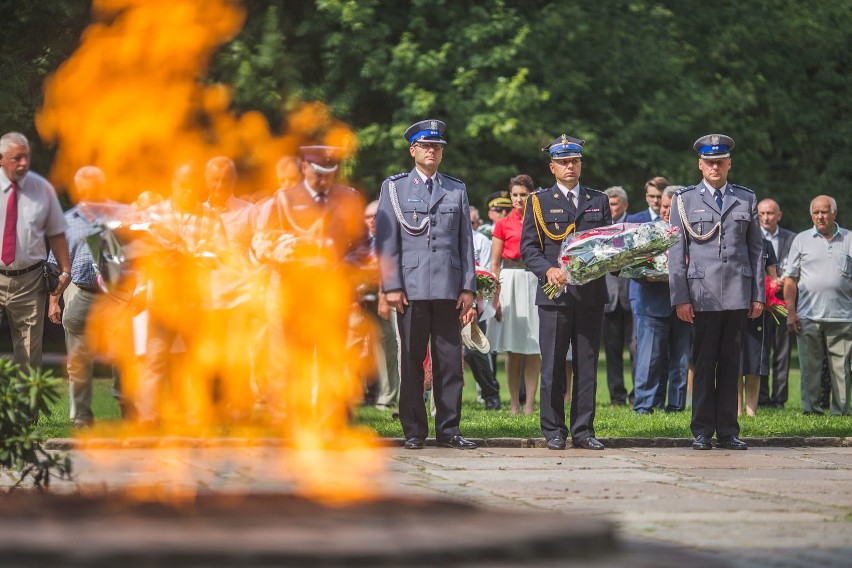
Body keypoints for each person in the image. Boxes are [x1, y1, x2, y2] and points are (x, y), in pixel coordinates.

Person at [375, 119, 477, 450]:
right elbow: (387, 242)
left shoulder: (456, 188)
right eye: (426, 146)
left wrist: (468, 287)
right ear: (413, 150)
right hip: (411, 289)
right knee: (412, 362)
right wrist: (391, 286)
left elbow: (466, 242)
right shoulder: (395, 188)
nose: (432, 150)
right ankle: (415, 431)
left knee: (450, 365)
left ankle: (449, 430)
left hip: (448, 289)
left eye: (438, 146)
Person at [668, 134, 764, 450]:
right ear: (700, 164)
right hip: (702, 294)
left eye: (720, 161)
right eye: (709, 161)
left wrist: (758, 294)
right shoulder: (684, 200)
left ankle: (728, 430)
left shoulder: (746, 199)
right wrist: (680, 296)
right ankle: (702, 430)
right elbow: (675, 253)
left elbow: (756, 250)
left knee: (731, 363)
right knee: (704, 362)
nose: (715, 166)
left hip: (738, 292)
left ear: (729, 164)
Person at [521, 134, 611, 451]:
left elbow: (608, 246)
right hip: (554, 294)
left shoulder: (598, 201)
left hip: (590, 294)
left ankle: (584, 430)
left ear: (580, 164)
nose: (569, 166)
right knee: (553, 366)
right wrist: (548, 269)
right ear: (552, 167)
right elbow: (529, 248)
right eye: (563, 162)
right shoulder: (539, 202)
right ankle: (554, 430)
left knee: (587, 366)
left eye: (574, 161)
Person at [0, 132, 71, 369]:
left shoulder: (43, 189)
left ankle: (28, 406)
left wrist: (66, 271)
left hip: (29, 282)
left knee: (29, 355)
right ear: (1, 158)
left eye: (26, 158)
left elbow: (57, 233)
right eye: (16, 158)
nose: (23, 163)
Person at [47, 167, 110, 427]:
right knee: (77, 357)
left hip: (116, 296)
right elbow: (56, 265)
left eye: (92, 189)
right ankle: (80, 416)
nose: (87, 195)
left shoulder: (116, 217)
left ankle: (132, 410)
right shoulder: (66, 220)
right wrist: (53, 300)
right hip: (79, 289)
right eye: (82, 190)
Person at [783, 195, 852, 416]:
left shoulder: (850, 239)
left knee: (841, 369)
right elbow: (791, 279)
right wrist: (791, 313)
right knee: (809, 368)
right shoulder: (801, 240)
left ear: (834, 213)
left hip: (843, 317)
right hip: (808, 315)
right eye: (816, 213)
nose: (820, 217)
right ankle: (811, 410)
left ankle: (840, 411)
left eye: (824, 212)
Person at [629, 185, 691, 415]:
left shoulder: (692, 233)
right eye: (665, 206)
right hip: (651, 304)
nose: (667, 211)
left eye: (672, 207)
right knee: (649, 360)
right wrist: (651, 275)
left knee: (680, 360)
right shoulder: (646, 233)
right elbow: (633, 268)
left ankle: (675, 406)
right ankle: (644, 406)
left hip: (683, 305)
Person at [488, 174, 541, 415]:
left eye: (524, 195)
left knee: (533, 345)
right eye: (515, 195)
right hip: (510, 281)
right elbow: (495, 263)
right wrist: (494, 296)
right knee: (512, 348)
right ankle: (514, 405)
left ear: (532, 195)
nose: (519, 199)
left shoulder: (540, 221)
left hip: (534, 280)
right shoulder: (502, 224)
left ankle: (530, 404)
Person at [756, 198, 796, 408]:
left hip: (782, 301)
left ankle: (779, 399)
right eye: (762, 213)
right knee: (761, 351)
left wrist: (783, 279)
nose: (765, 217)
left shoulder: (792, 238)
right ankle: (761, 398)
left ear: (778, 215)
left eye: (770, 213)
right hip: (761, 303)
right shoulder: (752, 238)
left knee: (782, 351)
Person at [361, 199, 400, 411]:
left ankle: (388, 396)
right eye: (368, 217)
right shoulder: (360, 241)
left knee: (389, 345)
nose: (372, 221)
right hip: (360, 299)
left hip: (387, 294)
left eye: (377, 216)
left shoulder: (391, 239)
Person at [465, 205, 501, 410]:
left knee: (473, 352)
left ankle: (491, 394)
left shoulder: (482, 241)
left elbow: (487, 274)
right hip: (446, 300)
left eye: (472, 222)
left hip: (475, 303)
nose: (469, 226)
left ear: (478, 223)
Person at [602, 186, 635, 406]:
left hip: (632, 297)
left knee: (636, 350)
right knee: (612, 353)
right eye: (608, 204)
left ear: (625, 205)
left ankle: (637, 395)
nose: (610, 209)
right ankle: (616, 397)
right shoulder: (599, 229)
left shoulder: (634, 227)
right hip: (608, 299)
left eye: (614, 204)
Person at [739, 238, 777, 416]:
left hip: (758, 308)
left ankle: (751, 412)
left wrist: (769, 292)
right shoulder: (733, 240)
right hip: (735, 306)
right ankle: (736, 411)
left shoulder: (765, 244)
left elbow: (772, 278)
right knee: (736, 363)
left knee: (755, 362)